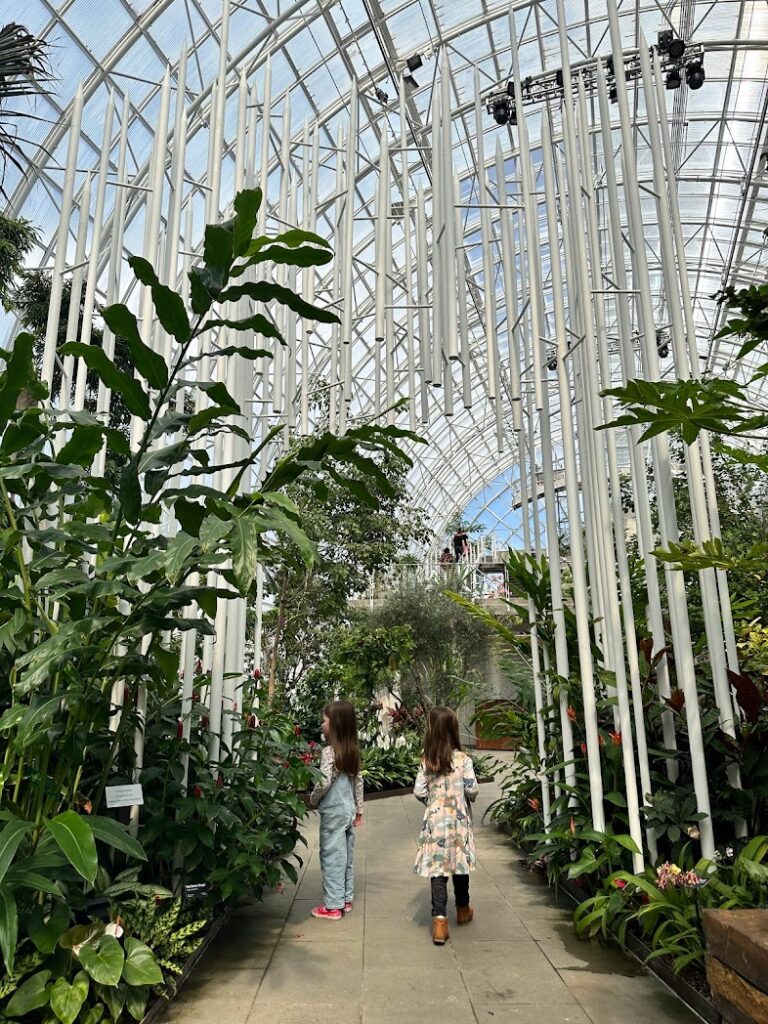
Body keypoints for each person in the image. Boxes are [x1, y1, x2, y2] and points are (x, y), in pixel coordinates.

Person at [413, 706, 478, 945]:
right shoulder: (463, 760)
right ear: (453, 729)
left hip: (435, 823)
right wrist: (464, 796)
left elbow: (418, 790)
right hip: (459, 822)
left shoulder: (427, 759)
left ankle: (439, 921)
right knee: (459, 865)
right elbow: (472, 788)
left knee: (438, 871)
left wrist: (431, 802)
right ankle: (463, 909)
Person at [309, 700, 364, 920]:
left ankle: (333, 906)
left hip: (333, 812)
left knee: (332, 855)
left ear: (335, 725)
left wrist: (313, 798)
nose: (322, 725)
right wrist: (359, 810)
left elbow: (324, 782)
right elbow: (358, 782)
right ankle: (345, 898)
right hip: (348, 809)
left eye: (324, 721)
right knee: (346, 856)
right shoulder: (352, 751)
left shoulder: (329, 752)